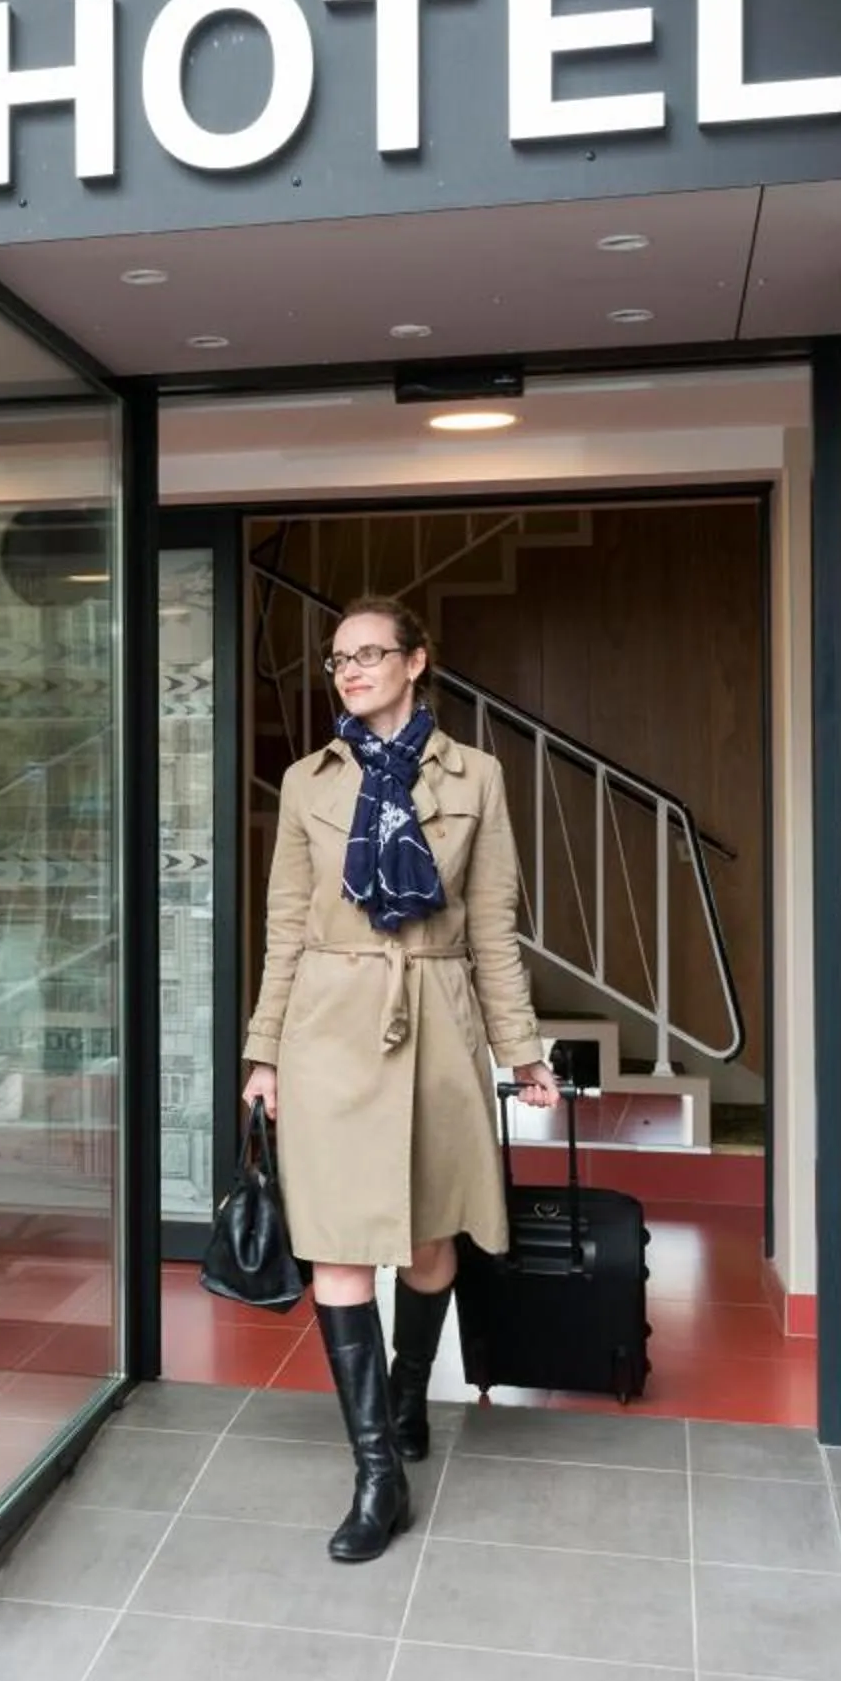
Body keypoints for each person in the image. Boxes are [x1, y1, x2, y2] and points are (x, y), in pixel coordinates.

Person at [239, 595, 557, 1565]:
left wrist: (524, 1050)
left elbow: (494, 926)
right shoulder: (306, 783)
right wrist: (263, 1053)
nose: (352, 669)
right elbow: (286, 926)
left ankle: (410, 1392)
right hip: (327, 1029)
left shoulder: (480, 778)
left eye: (372, 653)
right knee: (337, 1251)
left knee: (426, 1245)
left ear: (417, 661)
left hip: (437, 1021)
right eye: (339, 658)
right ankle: (376, 1468)